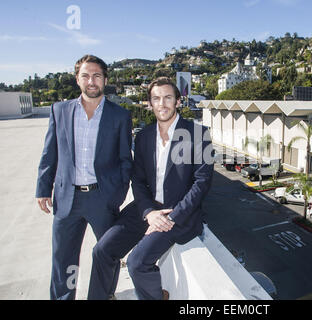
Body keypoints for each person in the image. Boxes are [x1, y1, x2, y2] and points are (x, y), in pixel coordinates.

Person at [88, 77, 214, 300]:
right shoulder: (144, 136)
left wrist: (171, 217)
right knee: (102, 250)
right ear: (149, 103)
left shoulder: (199, 134)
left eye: (167, 97)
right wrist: (148, 212)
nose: (162, 104)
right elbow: (137, 179)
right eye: (156, 98)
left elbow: (202, 182)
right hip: (147, 209)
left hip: (178, 214)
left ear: (177, 101)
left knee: (137, 263)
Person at [36, 54, 133, 300]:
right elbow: (50, 153)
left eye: (97, 76)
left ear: (105, 80)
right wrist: (43, 188)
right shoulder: (60, 110)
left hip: (103, 199)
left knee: (108, 253)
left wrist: (116, 195)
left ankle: (103, 296)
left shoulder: (120, 116)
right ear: (77, 80)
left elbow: (125, 160)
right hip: (67, 199)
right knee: (63, 259)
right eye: (86, 76)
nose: (92, 81)